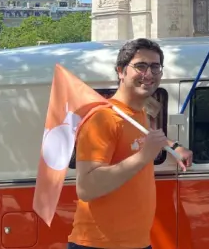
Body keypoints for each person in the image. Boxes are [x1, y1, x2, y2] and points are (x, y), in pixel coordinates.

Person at [67, 38, 193, 249]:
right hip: (98, 244)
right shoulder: (103, 119)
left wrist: (173, 146)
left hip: (136, 243)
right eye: (140, 66)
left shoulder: (138, 113)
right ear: (121, 71)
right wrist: (144, 156)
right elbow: (86, 187)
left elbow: (141, 137)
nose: (149, 74)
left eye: (155, 67)